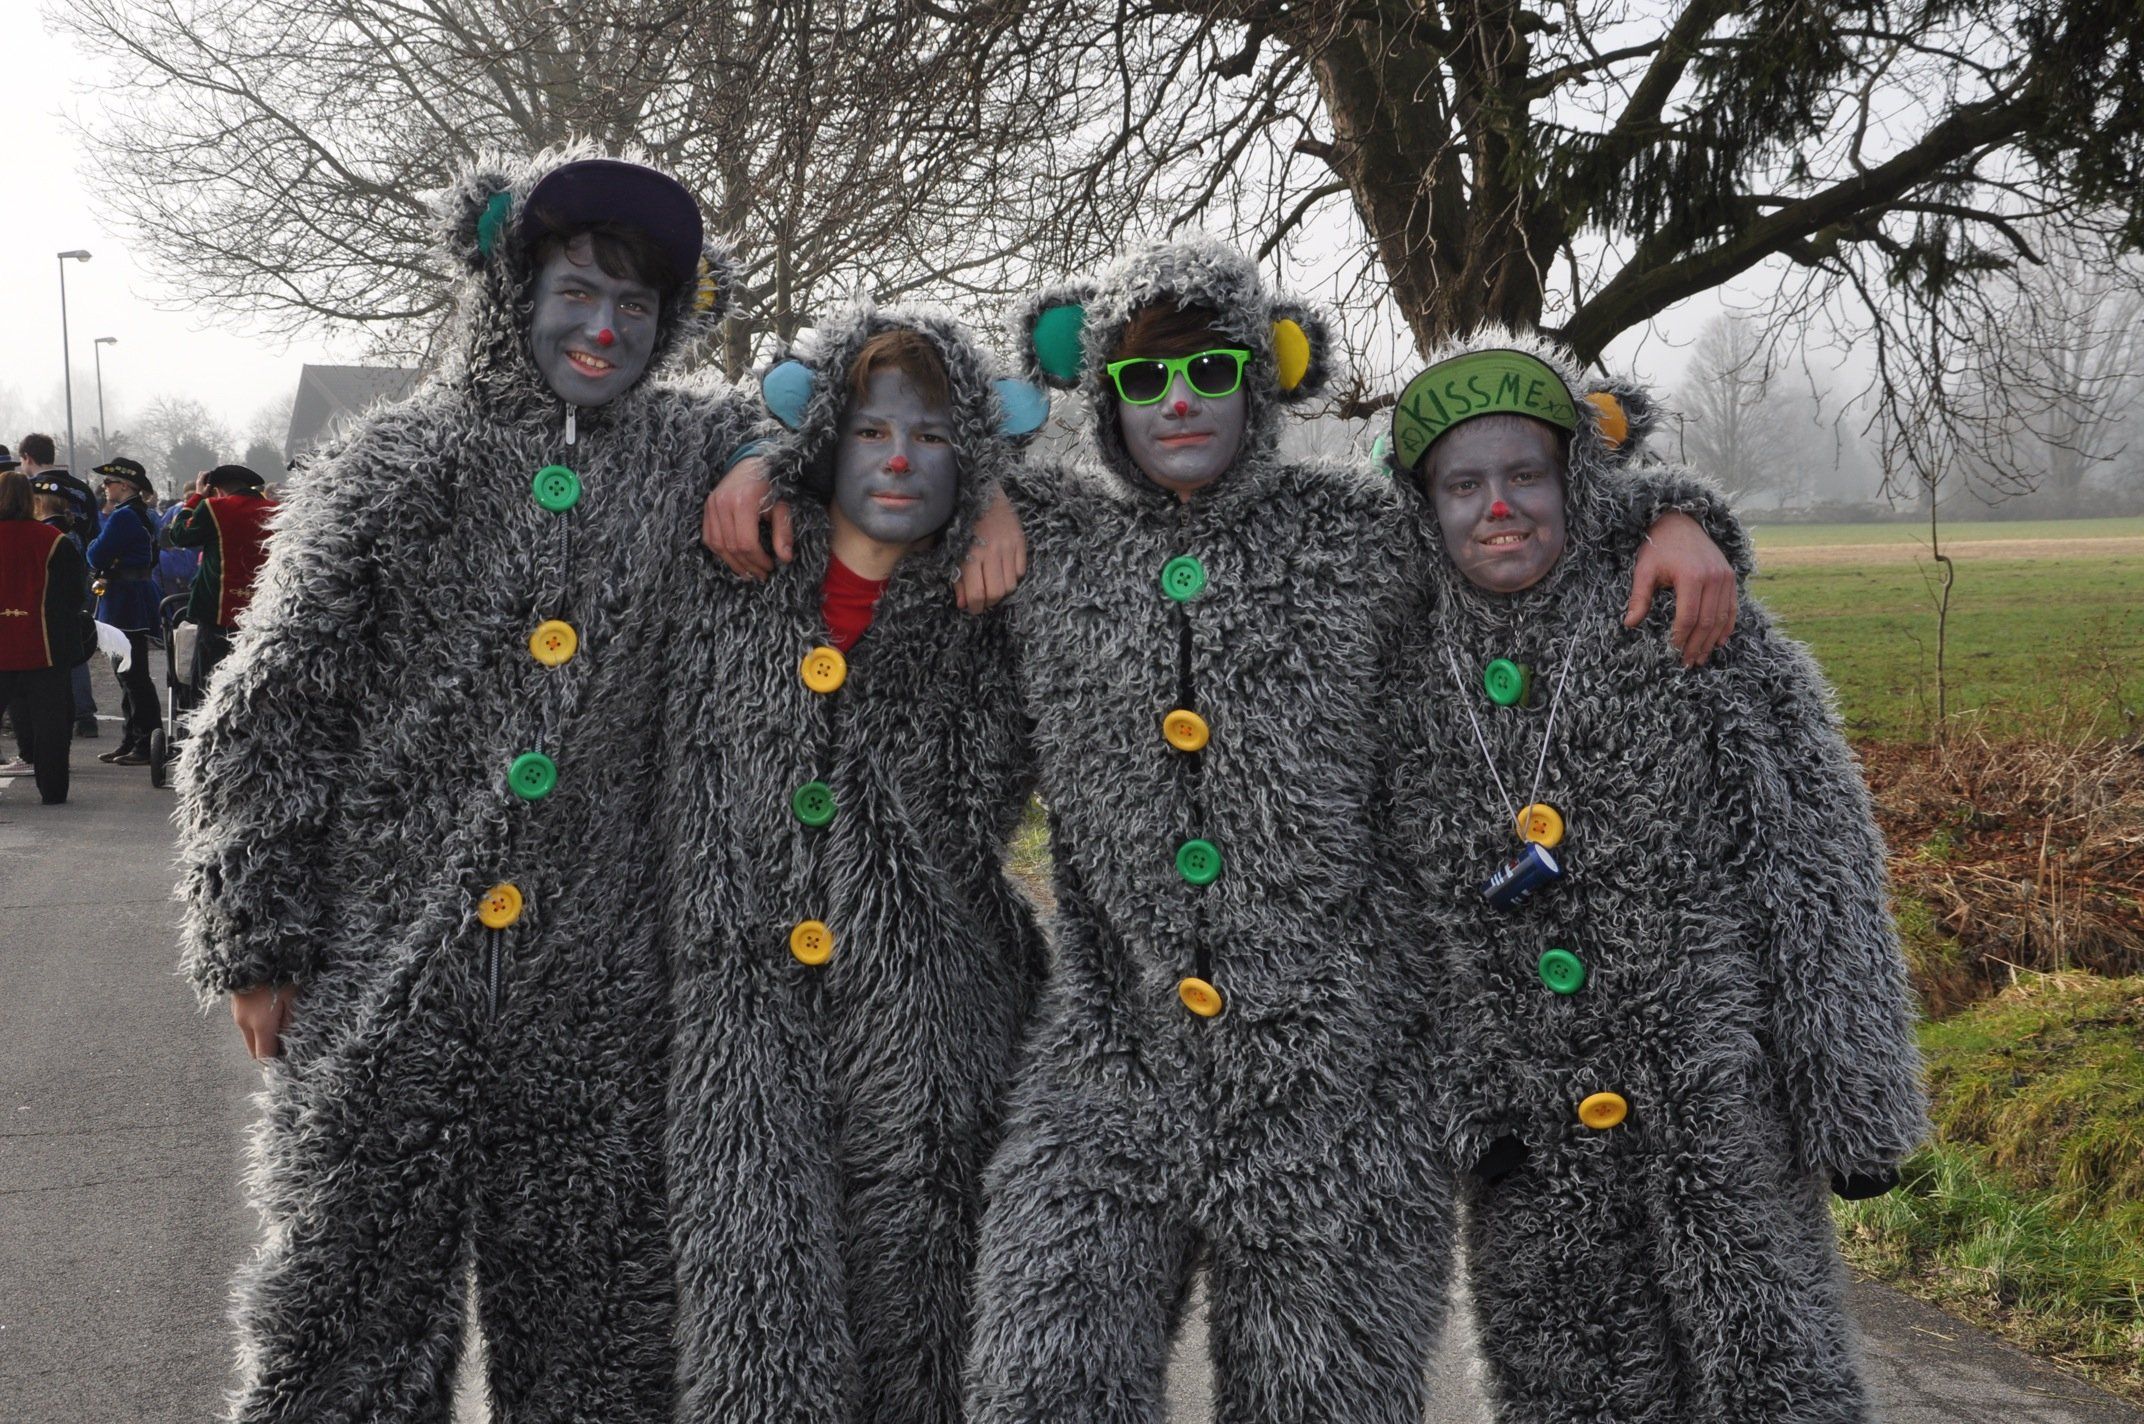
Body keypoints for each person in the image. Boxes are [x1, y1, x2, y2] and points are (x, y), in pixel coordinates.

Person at [938, 240, 1743, 1424]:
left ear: (1265, 377)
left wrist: (1673, 516)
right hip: (1109, 1068)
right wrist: (861, 477)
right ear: (1098, 391)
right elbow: (870, 466)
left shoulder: (1359, 533)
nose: (1177, 401)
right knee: (1037, 1379)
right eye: (1143, 378)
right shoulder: (1046, 534)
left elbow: (1513, 509)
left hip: (1341, 1087)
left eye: (1210, 369)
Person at [172, 146, 758, 1423]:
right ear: (509, 288)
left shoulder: (696, 449)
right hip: (388, 982)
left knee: (604, 1348)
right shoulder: (393, 463)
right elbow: (272, 710)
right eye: (574, 292)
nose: (603, 328)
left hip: (604, 1005)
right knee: (343, 1326)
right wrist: (258, 941)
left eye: (636, 304)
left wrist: (772, 456)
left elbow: (867, 420)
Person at [1385, 334, 1928, 1422]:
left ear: (1578, 480)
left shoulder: (1689, 618)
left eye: (1527, 473)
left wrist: (1856, 1100)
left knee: (1770, 1376)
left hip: (1717, 1116)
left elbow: (1815, 868)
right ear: (1421, 504)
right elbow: (1374, 919)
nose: (1500, 506)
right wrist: (1457, 1106)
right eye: (1463, 484)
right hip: (1526, 1150)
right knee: (1568, 1392)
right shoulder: (1391, 666)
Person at [663, 307, 1048, 1424]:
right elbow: (664, 439)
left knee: (925, 1337)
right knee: (755, 1330)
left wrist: (1005, 497)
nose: (898, 459)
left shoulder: (1003, 600)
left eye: (934, 437)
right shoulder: (728, 571)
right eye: (871, 431)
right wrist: (755, 453)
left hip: (942, 1042)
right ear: (825, 437)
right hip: (740, 1037)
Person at [0, 470, 91, 802]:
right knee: (50, 722)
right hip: (45, 645)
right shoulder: (55, 540)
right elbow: (75, 595)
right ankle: (52, 790)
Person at [163, 462, 276, 689]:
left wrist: (196, 497)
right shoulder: (276, 509)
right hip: (264, 610)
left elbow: (178, 534)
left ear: (216, 489)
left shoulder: (214, 507)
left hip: (219, 611)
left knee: (208, 683)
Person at [16, 433, 100, 737]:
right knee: (75, 643)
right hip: (80, 572)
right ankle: (84, 714)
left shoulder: (28, 490)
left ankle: (44, 713)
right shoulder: (81, 489)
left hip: (41, 581)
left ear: (27, 457)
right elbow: (95, 531)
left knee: (41, 647)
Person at [82, 456, 164, 765]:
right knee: (127, 675)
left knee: (133, 676)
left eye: (109, 482)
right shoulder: (142, 514)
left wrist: (96, 546)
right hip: (132, 596)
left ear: (126, 485)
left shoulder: (124, 517)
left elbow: (95, 555)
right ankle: (132, 738)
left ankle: (145, 742)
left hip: (124, 601)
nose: (104, 486)